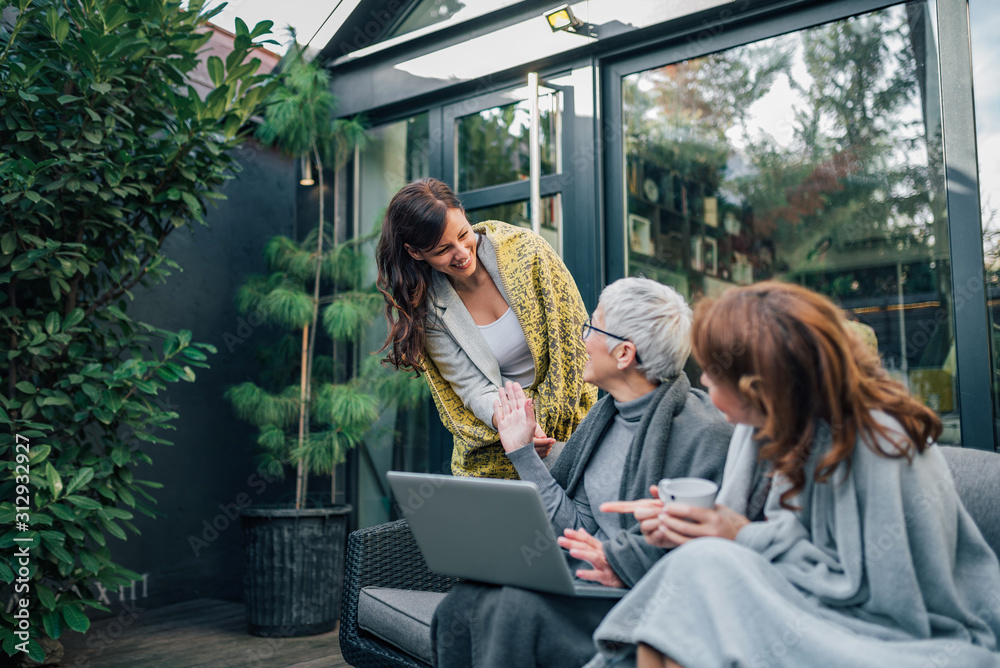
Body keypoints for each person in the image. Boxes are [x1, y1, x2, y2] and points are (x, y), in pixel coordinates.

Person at [592, 281, 1000, 668]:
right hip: (816, 606)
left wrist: (738, 534)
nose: (701, 380)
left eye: (714, 373)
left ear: (758, 389)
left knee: (701, 569)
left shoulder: (882, 447)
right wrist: (695, 525)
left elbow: (892, 604)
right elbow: (794, 543)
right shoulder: (781, 433)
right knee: (693, 580)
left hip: (894, 632)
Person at [430, 277, 739, 668]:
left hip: (633, 599)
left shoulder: (704, 434)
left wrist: (617, 557)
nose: (583, 337)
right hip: (581, 577)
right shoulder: (603, 419)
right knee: (461, 604)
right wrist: (522, 452)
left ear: (624, 353)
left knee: (512, 609)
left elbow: (702, 553)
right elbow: (574, 526)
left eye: (593, 326)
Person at [376, 178, 597, 478]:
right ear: (416, 253)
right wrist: (515, 425)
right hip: (497, 446)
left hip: (572, 423)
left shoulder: (527, 253)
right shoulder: (428, 310)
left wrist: (542, 422)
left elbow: (574, 345)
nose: (462, 252)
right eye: (443, 250)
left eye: (463, 234)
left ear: (465, 215)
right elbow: (472, 387)